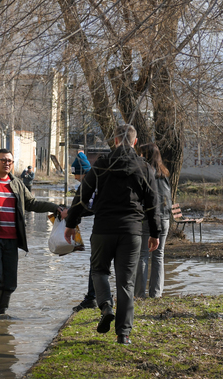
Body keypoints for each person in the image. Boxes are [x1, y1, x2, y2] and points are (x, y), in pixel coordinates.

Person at [65, 124, 160, 345]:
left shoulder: (101, 165)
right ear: (135, 142)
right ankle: (123, 334)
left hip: (103, 229)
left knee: (99, 271)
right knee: (126, 282)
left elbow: (82, 195)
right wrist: (155, 232)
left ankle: (106, 305)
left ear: (115, 141)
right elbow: (153, 204)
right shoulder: (145, 168)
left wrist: (71, 223)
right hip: (131, 231)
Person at [0, 149, 66, 317]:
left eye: (10, 161)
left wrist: (54, 207)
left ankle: (1, 313)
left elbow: (31, 203)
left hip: (12, 240)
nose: (7, 163)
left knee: (10, 282)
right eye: (3, 160)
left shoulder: (17, 183)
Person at [134, 143, 172, 298]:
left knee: (142, 254)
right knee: (159, 255)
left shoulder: (145, 173)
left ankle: (139, 294)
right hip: (164, 219)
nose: (139, 157)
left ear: (146, 156)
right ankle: (156, 293)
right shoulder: (164, 174)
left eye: (141, 154)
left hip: (148, 219)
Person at [69, 152, 98, 312]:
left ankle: (93, 298)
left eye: (76, 173)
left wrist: (72, 216)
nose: (75, 178)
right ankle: (97, 297)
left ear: (84, 172)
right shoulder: (94, 180)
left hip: (104, 230)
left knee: (96, 264)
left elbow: (88, 207)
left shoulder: (90, 183)